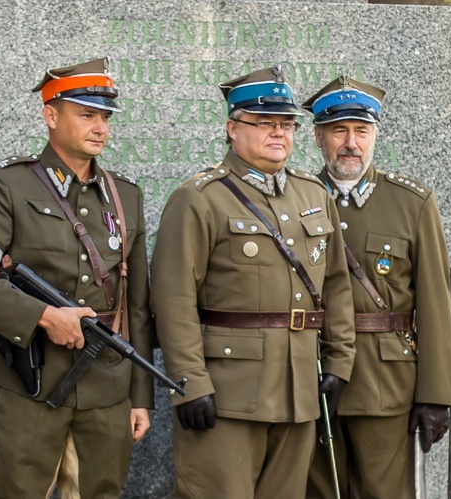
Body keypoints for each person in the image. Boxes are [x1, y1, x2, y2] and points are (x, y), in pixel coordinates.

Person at [0, 57, 154, 499]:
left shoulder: (127, 196)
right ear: (51, 115)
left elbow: (135, 306)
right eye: (87, 115)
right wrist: (43, 315)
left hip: (106, 390)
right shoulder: (9, 186)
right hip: (28, 387)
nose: (100, 127)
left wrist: (141, 395)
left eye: (105, 117)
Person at [149, 65, 356, 498]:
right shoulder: (200, 198)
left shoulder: (313, 195)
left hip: (299, 392)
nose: (278, 133)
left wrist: (339, 363)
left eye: (286, 124)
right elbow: (173, 298)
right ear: (231, 128)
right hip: (227, 395)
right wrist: (189, 381)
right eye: (264, 123)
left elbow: (335, 286)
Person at [303, 76, 451, 499]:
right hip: (313, 380)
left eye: (361, 131)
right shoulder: (297, 197)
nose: (351, 143)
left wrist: (436, 394)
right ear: (318, 137)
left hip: (387, 387)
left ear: (374, 135)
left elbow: (435, 306)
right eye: (339, 131)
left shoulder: (413, 203)